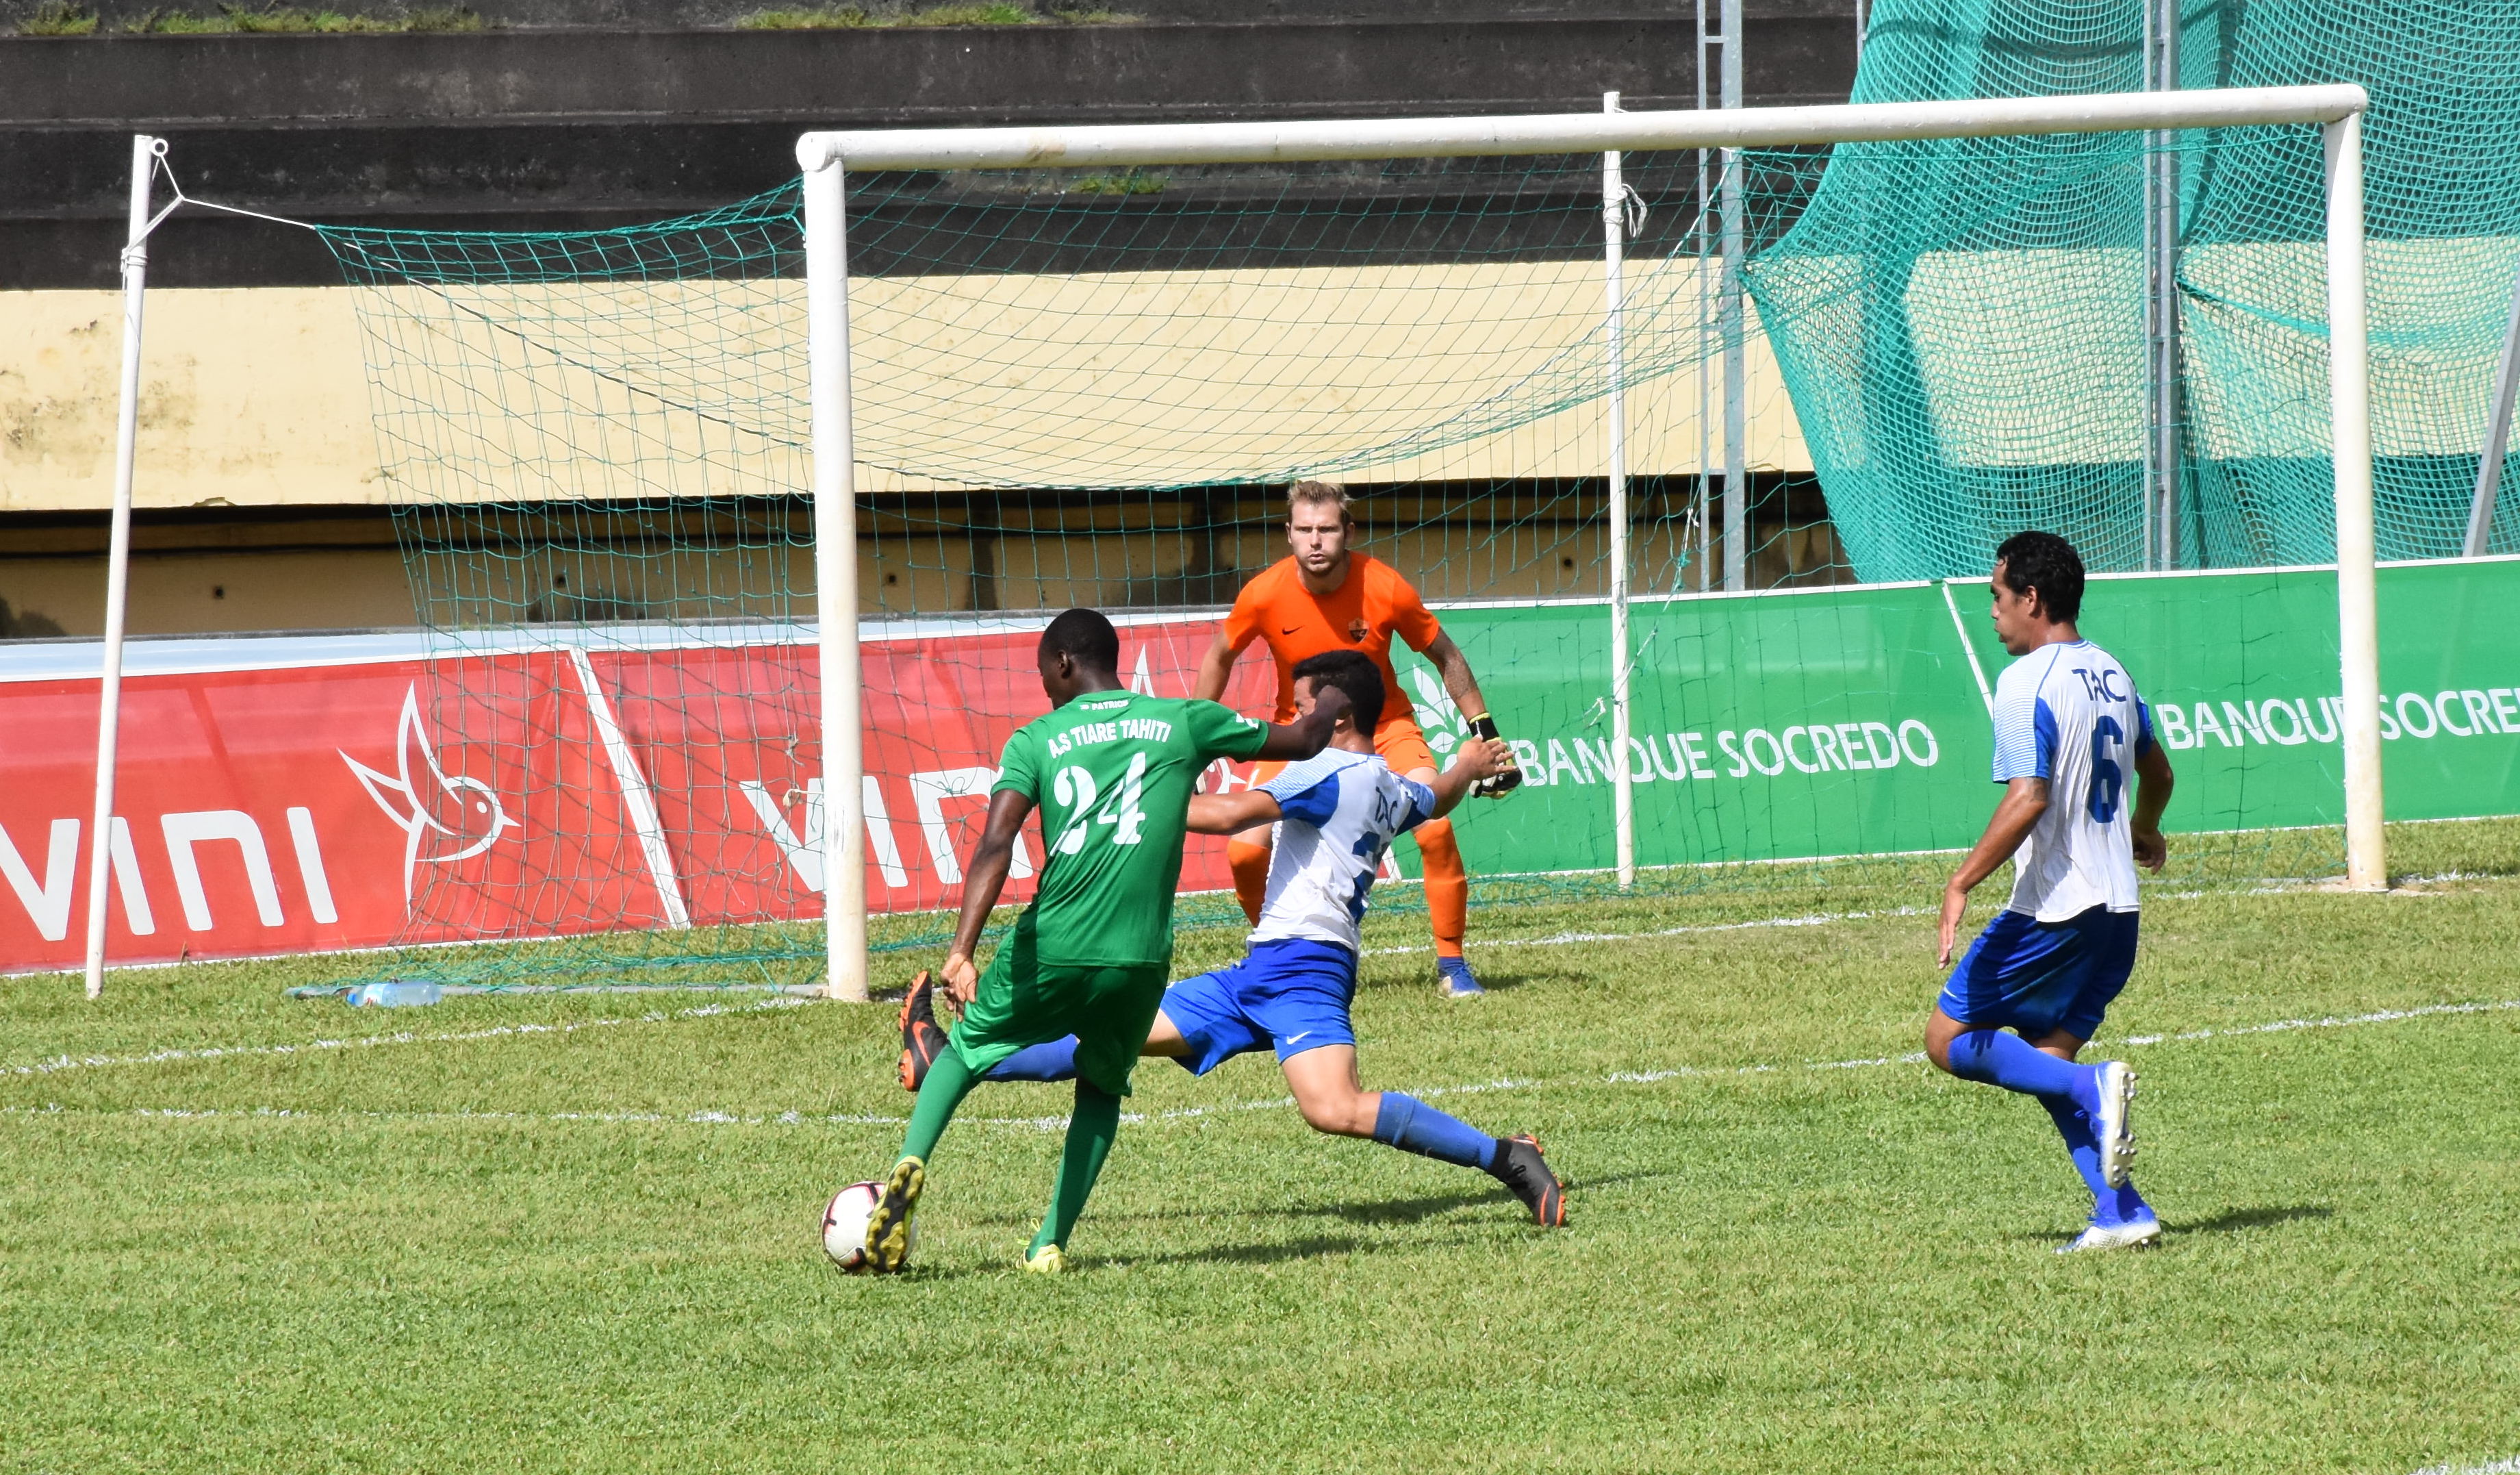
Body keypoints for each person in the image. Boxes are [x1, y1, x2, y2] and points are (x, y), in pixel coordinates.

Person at [899, 650, 1568, 1228]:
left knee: (1334, 1107)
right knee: (1106, 1041)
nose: (1291, 723)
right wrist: (1467, 763)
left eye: (1301, 709)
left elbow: (1229, 812)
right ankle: (944, 1057)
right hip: (1261, 972)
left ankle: (1507, 1156)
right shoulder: (1391, 784)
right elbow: (1440, 795)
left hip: (1305, 973)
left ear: (1336, 720)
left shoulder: (1325, 769)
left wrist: (1123, 801)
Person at [854, 607, 1351, 1275]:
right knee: (1101, 1087)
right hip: (1139, 958)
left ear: (1062, 663)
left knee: (967, 1051)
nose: (1044, 688)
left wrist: (961, 951)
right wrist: (1337, 694)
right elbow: (1305, 741)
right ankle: (1049, 1243)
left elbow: (996, 845)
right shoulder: (1184, 720)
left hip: (1053, 943)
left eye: (1044, 674)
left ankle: (908, 1166)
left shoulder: (1036, 739)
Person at [1931, 531, 2176, 1254]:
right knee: (2046, 1061)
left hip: (2056, 909)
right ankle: (2122, 1211)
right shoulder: (2113, 671)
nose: (1993, 614)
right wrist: (2146, 829)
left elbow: (2028, 797)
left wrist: (1960, 882)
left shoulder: (2026, 681)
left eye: (1997, 598)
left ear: (2031, 599)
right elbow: (2158, 774)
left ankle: (2096, 1089)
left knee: (1948, 1040)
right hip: (2118, 915)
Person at [1193, 481, 1522, 1000]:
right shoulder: (1262, 594)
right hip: (1298, 736)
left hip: (1384, 729)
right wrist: (1197, 740)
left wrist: (1484, 730)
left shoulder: (1385, 586)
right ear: (1288, 534)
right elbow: (1218, 657)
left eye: (1326, 529)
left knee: (1434, 829)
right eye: (1304, 530)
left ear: (1349, 531)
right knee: (1243, 853)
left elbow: (1446, 656)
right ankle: (1274, 957)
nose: (1316, 541)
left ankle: (1453, 965)